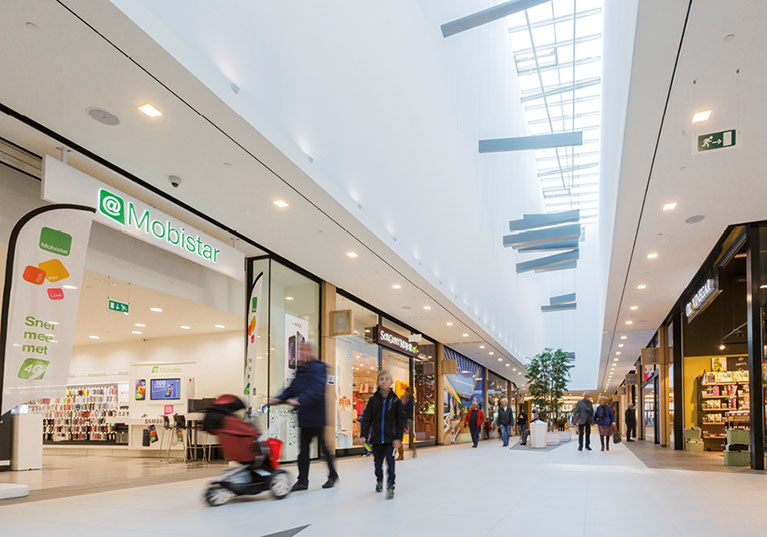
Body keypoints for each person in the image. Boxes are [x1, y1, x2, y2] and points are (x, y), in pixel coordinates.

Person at [270, 343, 338, 491]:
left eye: (304, 351)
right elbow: (291, 389)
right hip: (304, 417)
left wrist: (300, 400)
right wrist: (278, 398)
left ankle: (333, 475)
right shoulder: (300, 370)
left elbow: (317, 389)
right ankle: (302, 481)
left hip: (316, 416)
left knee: (323, 448)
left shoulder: (319, 368)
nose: (301, 353)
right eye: (300, 351)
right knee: (303, 451)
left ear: (311, 352)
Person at [360, 370, 405, 500]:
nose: (384, 381)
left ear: (391, 382)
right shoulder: (373, 400)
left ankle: (390, 486)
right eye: (381, 379)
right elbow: (367, 419)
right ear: (378, 382)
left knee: (390, 463)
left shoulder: (395, 400)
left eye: (386, 379)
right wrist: (363, 435)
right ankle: (379, 480)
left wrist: (398, 438)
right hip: (377, 439)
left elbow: (400, 421)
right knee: (378, 465)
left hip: (391, 440)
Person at [397, 386, 415, 460]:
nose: (406, 393)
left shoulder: (411, 400)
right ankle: (400, 454)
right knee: (399, 436)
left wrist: (404, 403)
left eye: (407, 392)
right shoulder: (402, 397)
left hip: (408, 420)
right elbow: (399, 407)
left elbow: (408, 408)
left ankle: (413, 450)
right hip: (401, 420)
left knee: (410, 438)